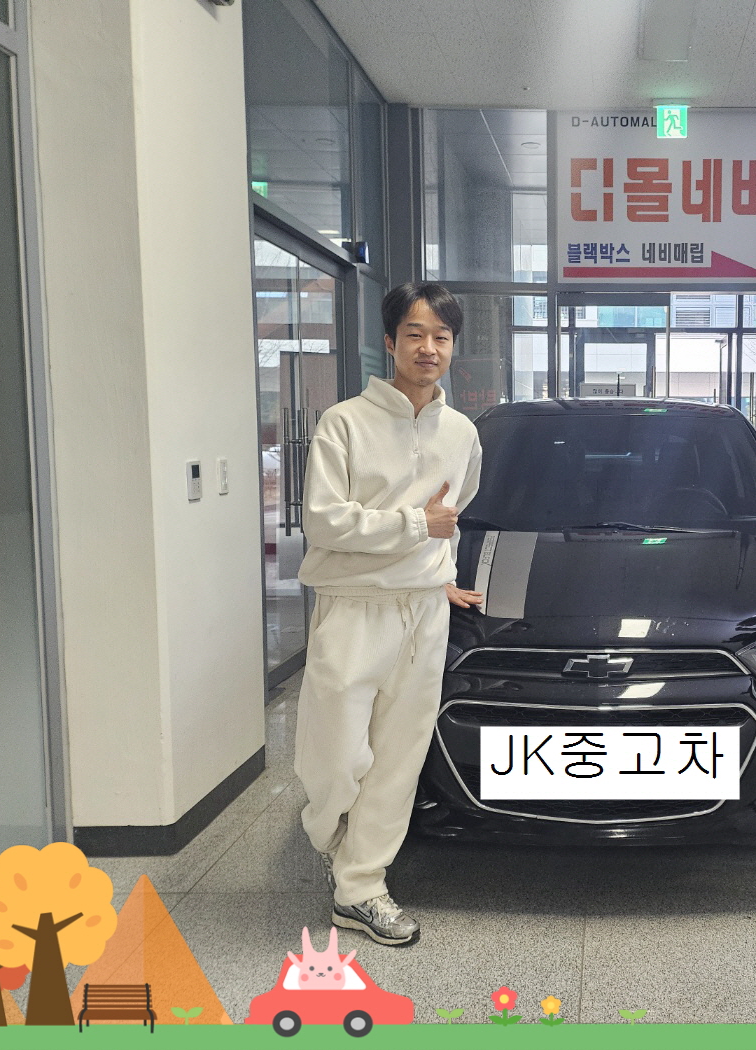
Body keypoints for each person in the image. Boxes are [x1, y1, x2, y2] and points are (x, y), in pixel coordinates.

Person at [294, 282, 484, 946]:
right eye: (415, 334)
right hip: (354, 607)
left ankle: (361, 887)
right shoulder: (344, 422)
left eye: (441, 337)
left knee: (399, 757)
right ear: (389, 342)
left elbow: (454, 513)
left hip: (423, 611)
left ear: (453, 347)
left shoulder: (461, 432)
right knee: (335, 755)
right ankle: (330, 834)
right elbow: (323, 521)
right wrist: (415, 526)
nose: (429, 348)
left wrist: (442, 576)